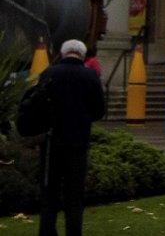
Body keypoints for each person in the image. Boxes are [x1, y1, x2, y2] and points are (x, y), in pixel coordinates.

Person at [36, 38, 105, 236]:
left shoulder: (49, 73)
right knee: (74, 194)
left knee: (50, 192)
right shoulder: (90, 76)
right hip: (78, 141)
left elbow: (37, 106)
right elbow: (99, 110)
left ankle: (47, 231)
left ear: (63, 53)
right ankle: (74, 232)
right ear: (83, 56)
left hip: (51, 142)